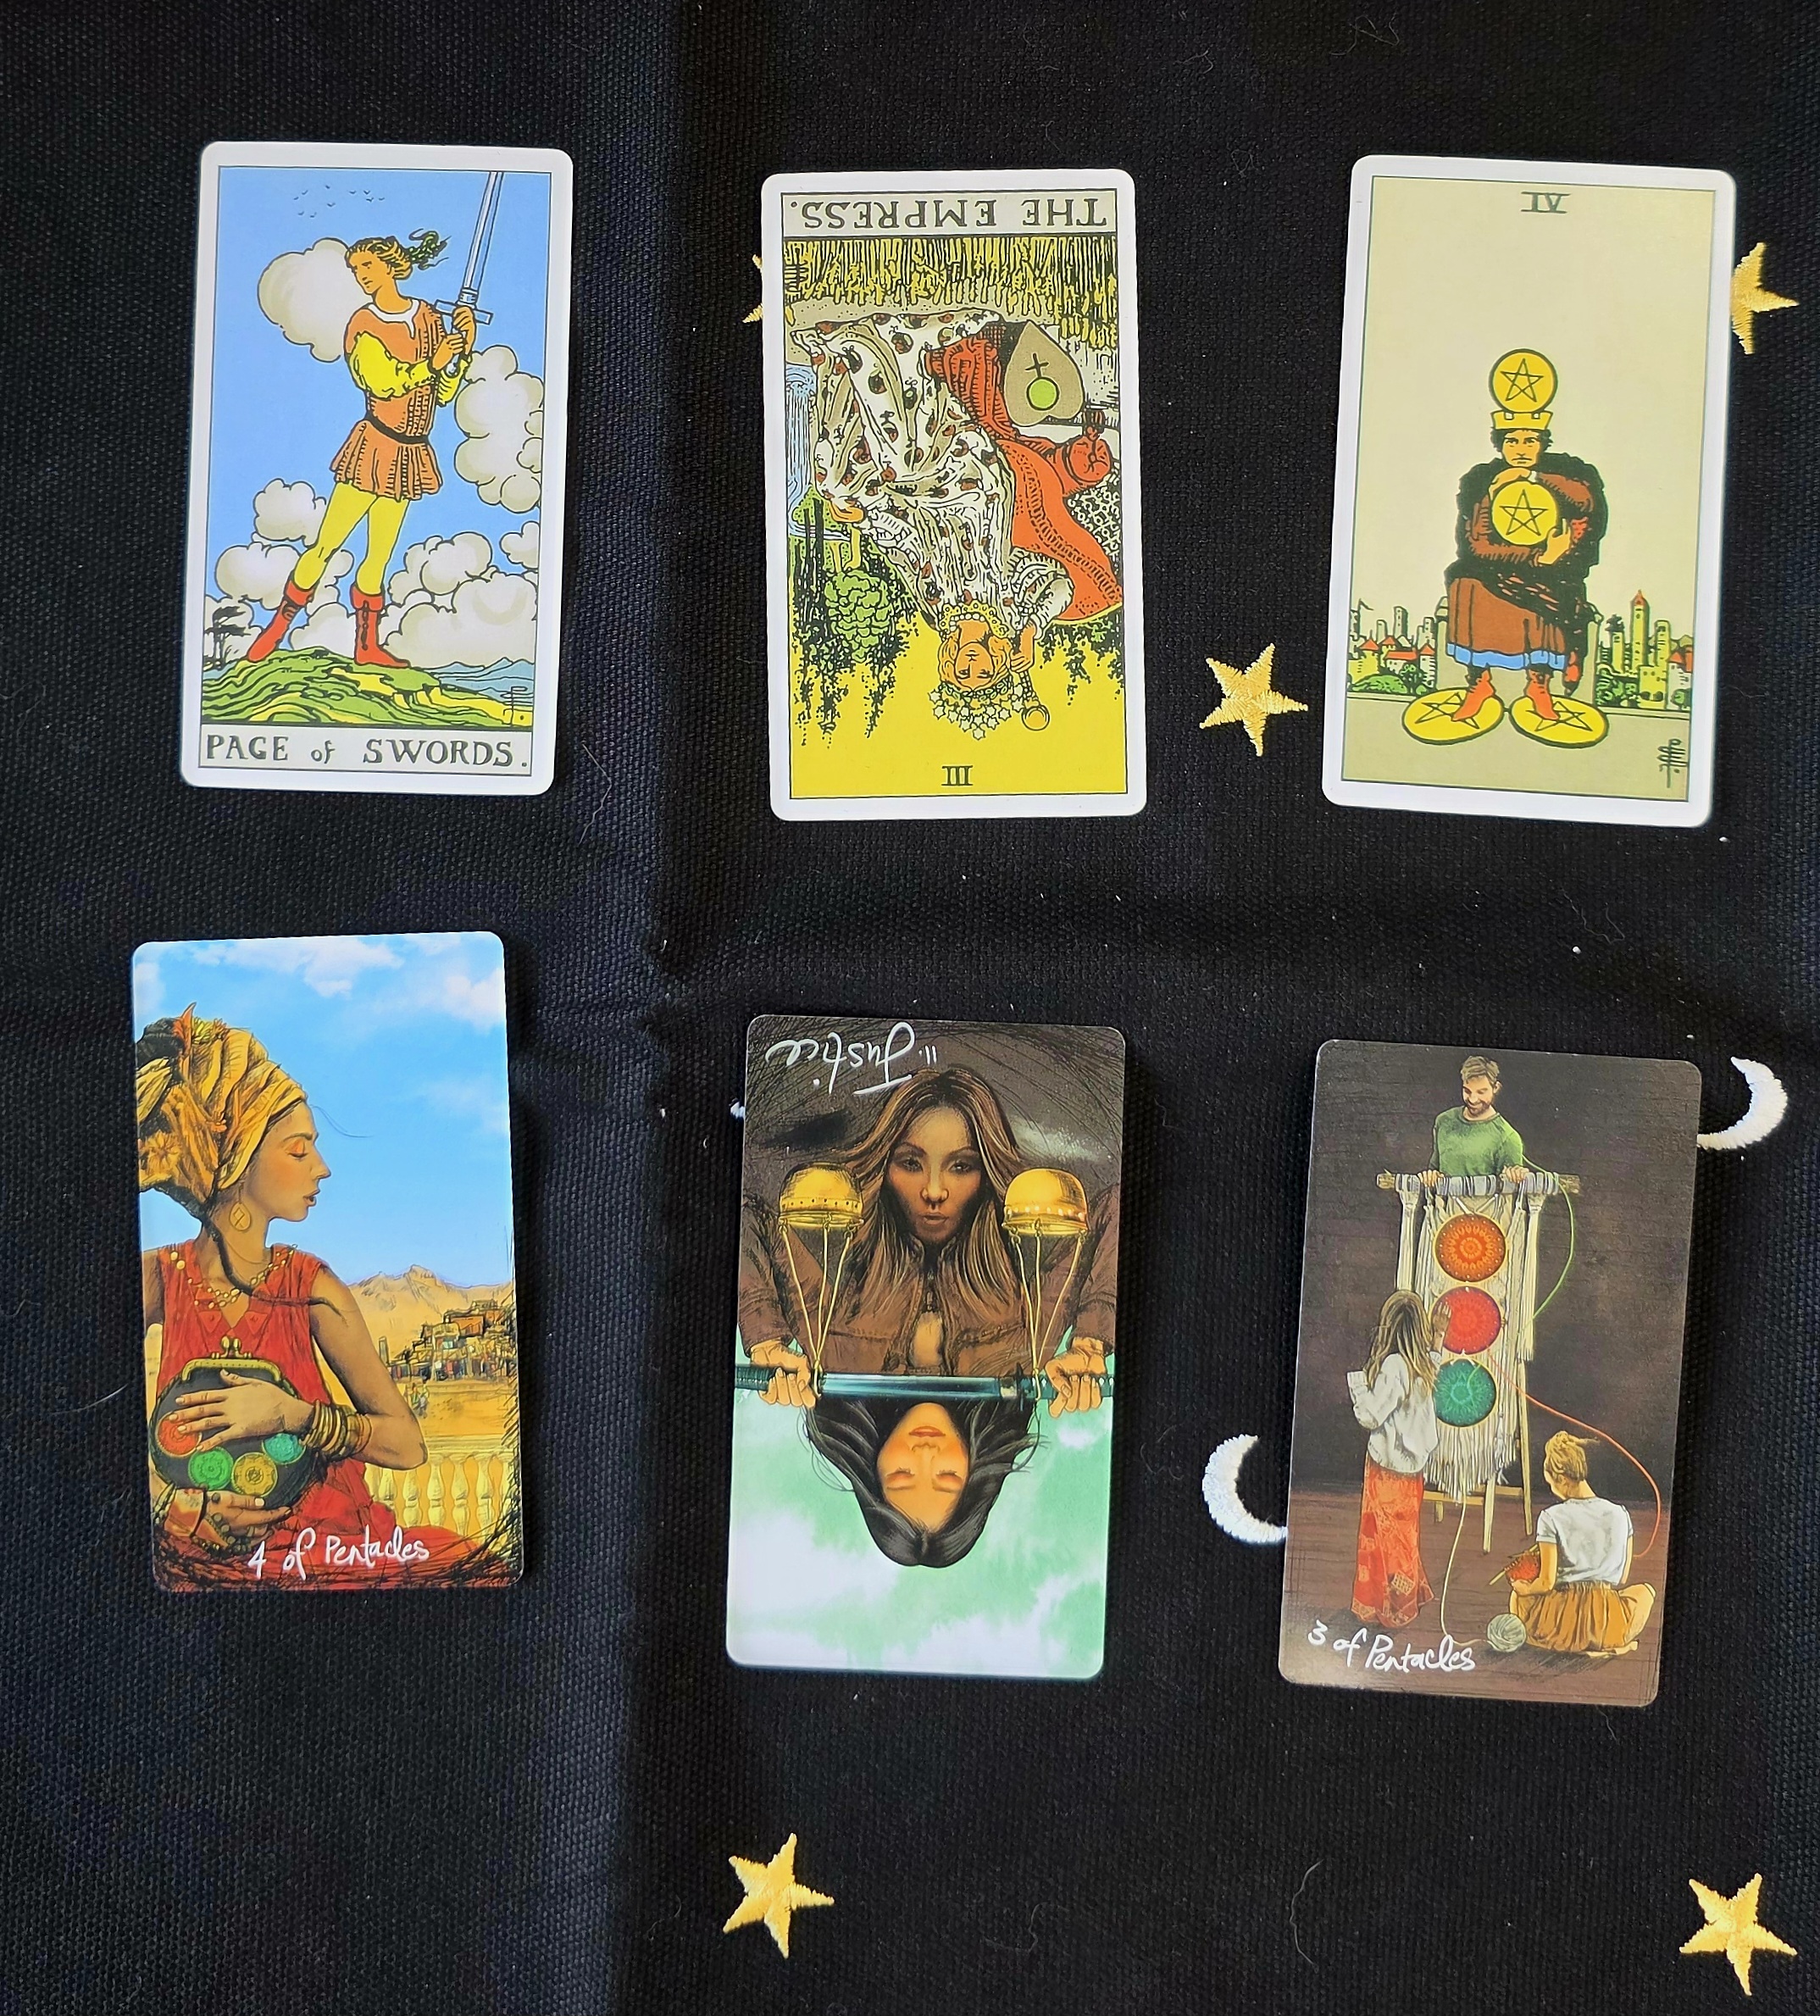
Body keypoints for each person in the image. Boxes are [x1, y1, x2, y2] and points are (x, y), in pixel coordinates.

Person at [737, 1065, 1118, 1566]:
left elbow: (749, 1213)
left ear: (873, 1469)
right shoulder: (1026, 1351)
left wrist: (767, 1341)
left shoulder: (829, 1344)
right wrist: (1090, 1343)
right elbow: (1115, 1206)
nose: (924, 1455)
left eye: (902, 1477)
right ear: (974, 1470)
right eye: (946, 1477)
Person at [137, 1007, 459, 1586]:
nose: (322, 1168)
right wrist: (175, 1505)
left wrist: (297, 1415)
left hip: (329, 1552)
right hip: (193, 1565)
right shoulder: (157, 1278)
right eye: (298, 1149)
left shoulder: (310, 1286)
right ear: (239, 1158)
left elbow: (408, 1445)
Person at [796, 310, 1121, 736]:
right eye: (982, 674)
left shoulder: (937, 611)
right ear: (998, 663)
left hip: (917, 503)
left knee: (838, 487)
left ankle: (842, 363)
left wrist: (867, 516)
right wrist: (1031, 630)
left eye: (961, 675)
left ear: (947, 663)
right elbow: (1060, 584)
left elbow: (905, 547)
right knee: (904, 459)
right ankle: (881, 348)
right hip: (974, 491)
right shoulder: (1011, 610)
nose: (971, 667)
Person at [244, 231, 477, 669]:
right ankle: (274, 632)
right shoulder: (364, 324)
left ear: (392, 266)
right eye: (356, 270)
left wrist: (463, 348)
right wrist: (434, 361)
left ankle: (366, 646)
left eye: (367, 266)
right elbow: (382, 382)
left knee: (378, 557)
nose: (361, 276)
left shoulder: (428, 317)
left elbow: (442, 393)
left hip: (410, 453)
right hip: (375, 447)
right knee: (326, 546)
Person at [1441, 358, 1607, 732]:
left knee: (1550, 595)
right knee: (1468, 584)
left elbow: (1586, 504)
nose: (1520, 448)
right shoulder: (1481, 480)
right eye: (1512, 441)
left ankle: (1539, 686)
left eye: (1529, 440)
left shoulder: (1567, 472)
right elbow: (1477, 546)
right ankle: (1479, 684)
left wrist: (1534, 477)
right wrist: (1536, 557)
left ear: (1542, 443)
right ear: (1500, 444)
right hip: (1500, 568)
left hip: (1554, 571)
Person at [1508, 1432, 1656, 1658]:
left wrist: (1527, 1588)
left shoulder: (1551, 1516)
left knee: (1518, 1596)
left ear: (1562, 1480)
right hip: (1605, 1623)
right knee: (1645, 1592)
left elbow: (1546, 1583)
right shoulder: (1621, 1514)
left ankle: (1566, 1645)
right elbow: (1622, 1578)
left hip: (1560, 1625)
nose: (1552, 1489)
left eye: (1551, 1484)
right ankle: (1608, 1644)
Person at [1346, 1291, 1445, 1627]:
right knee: (1404, 1535)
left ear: (1389, 1326)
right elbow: (1433, 1363)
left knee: (1381, 1537)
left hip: (1387, 1468)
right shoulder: (1421, 1365)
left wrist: (1359, 1385)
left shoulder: (1393, 1366)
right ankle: (1405, 1598)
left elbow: (1370, 1416)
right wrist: (1439, 1337)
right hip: (1413, 1469)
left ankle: (1390, 1606)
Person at [1422, 1055, 1528, 1185]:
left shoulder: (1507, 1137)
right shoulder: (1444, 1120)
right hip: (1443, 1199)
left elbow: (1510, 1191)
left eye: (1481, 1092)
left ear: (1496, 1088)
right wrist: (1432, 1177)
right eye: (1467, 1091)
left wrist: (1515, 1175)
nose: (1472, 1099)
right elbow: (1435, 1168)